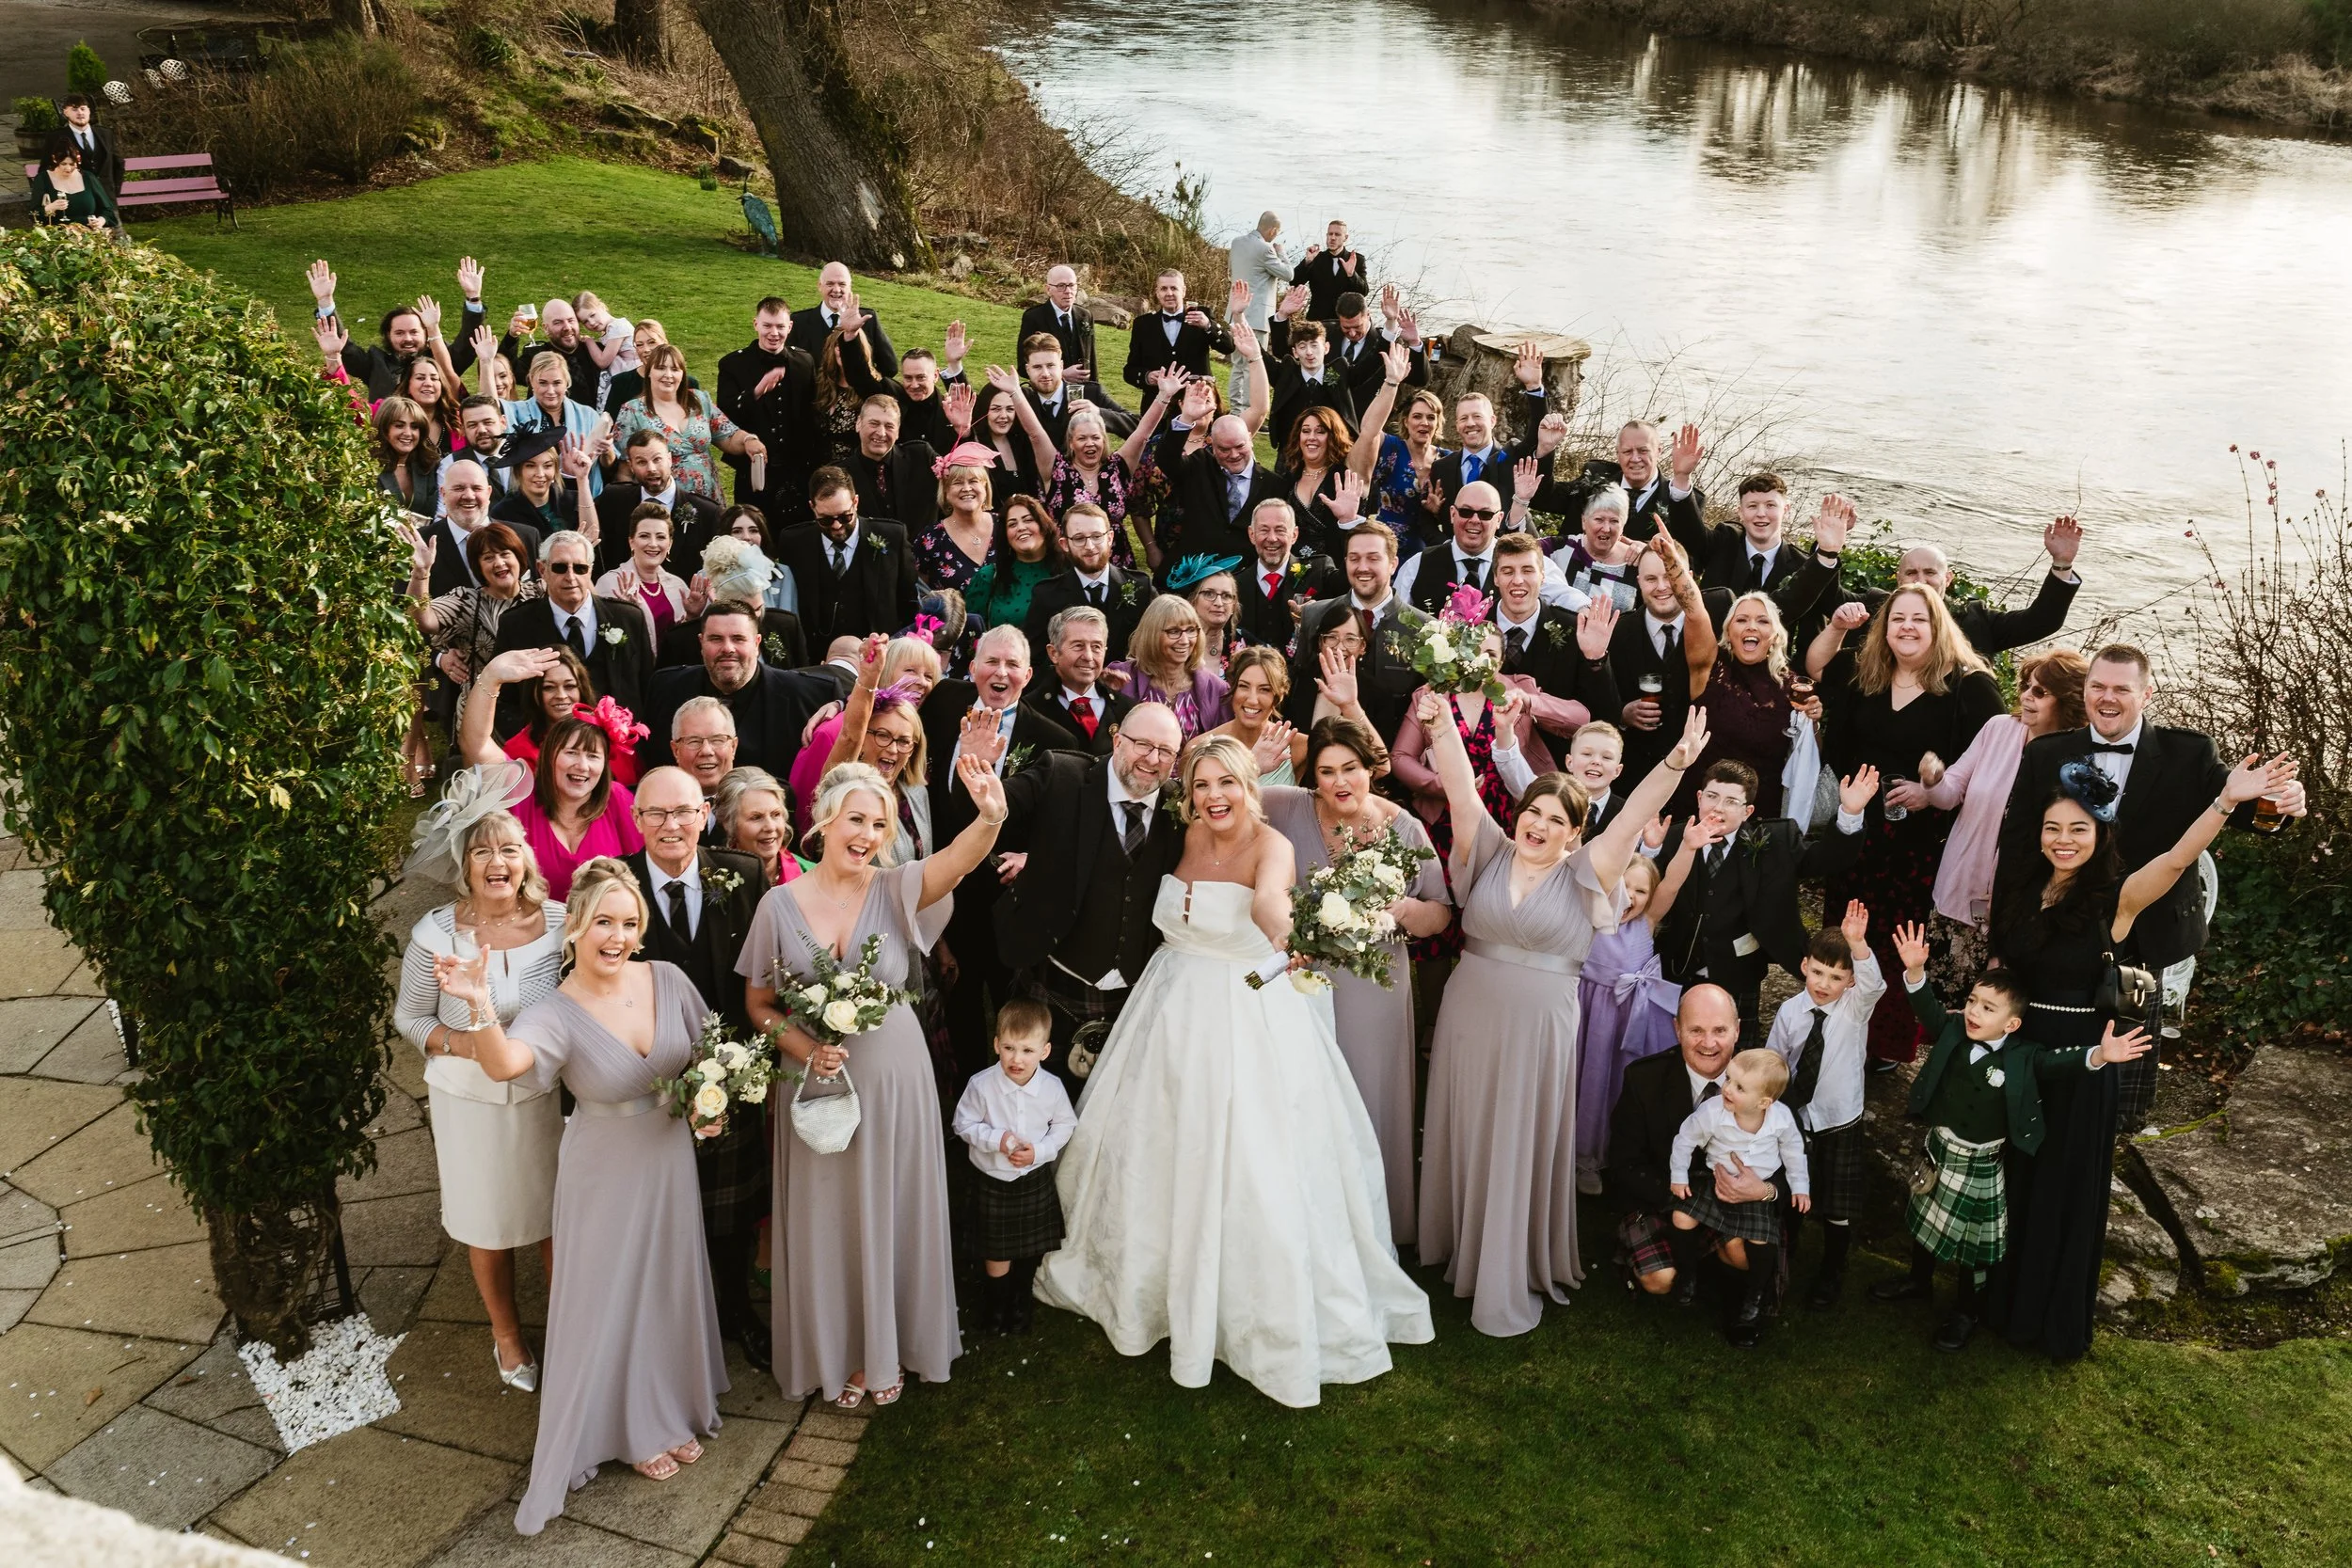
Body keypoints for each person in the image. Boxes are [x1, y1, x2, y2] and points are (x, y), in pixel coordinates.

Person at [1033, 736, 1435, 1407]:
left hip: (1245, 1005)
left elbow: (1270, 902)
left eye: (1226, 783)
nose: (1213, 797)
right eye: (1201, 785)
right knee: (1156, 1149)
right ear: (1187, 794)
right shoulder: (1178, 837)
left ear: (1249, 785)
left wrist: (1285, 935)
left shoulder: (1270, 845)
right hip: (1166, 1010)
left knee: (1249, 1156)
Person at [433, 859, 726, 1529]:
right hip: (603, 1170)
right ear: (575, 928)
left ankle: (672, 1406)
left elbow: (710, 1050)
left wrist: (713, 1103)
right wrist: (479, 1006)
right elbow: (507, 1063)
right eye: (603, 922)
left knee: (664, 1283)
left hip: (669, 1159)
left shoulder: (668, 979)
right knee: (612, 1292)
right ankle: (632, 1427)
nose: (617, 935)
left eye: (629, 922)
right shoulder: (553, 1010)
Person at [1985, 746, 2296, 1360]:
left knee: (2065, 1196)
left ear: (2100, 834)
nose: (2063, 839)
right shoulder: (2026, 890)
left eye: (2078, 829)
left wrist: (2226, 800)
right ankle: (2003, 1308)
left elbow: (2181, 857)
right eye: (2054, 828)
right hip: (2025, 1060)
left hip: (2088, 1063)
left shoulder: (2117, 898)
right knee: (2018, 1187)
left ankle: (2052, 1326)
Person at [1415, 698, 1709, 1338]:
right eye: (1534, 812)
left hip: (1541, 1020)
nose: (1540, 825)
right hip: (1470, 1008)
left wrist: (1676, 764)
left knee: (1517, 1129)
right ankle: (1453, 1240)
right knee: (1467, 1119)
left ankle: (1506, 1260)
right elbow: (1463, 791)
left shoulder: (1588, 870)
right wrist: (1439, 725)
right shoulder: (1489, 849)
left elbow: (1631, 818)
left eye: (1556, 819)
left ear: (1575, 833)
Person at [740, 754, 1009, 1406]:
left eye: (879, 823)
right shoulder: (777, 904)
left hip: (893, 1076)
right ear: (824, 820)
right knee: (828, 1213)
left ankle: (896, 1347)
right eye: (856, 818)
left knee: (894, 1204)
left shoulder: (896, 888)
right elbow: (758, 1005)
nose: (866, 833)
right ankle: (838, 1351)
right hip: (815, 1081)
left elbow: (963, 857)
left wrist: (991, 813)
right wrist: (805, 1048)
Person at [1871, 924, 2152, 1354]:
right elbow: (1926, 1008)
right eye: (1972, 1002)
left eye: (1987, 1008)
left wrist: (2099, 1055)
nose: (1973, 1012)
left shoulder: (2024, 1057)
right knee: (1925, 1217)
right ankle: (1917, 1280)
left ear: (2013, 1022)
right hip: (1941, 1147)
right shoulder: (1951, 1032)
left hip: (1982, 1162)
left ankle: (1966, 1310)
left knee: (1971, 1241)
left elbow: (2061, 1063)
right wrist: (1915, 972)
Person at [395, 781, 565, 1393]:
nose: (499, 863)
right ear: (464, 865)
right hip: (468, 1100)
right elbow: (410, 1018)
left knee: (554, 1216)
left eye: (510, 850)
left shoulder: (557, 923)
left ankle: (570, 1325)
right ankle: (507, 1333)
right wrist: (465, 1043)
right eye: (483, 852)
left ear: (527, 859)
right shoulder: (435, 935)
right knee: (487, 1222)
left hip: (542, 1096)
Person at [1261, 718, 1452, 1243]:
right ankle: (1299, 1225)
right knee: (1299, 1094)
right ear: (1311, 775)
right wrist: (1253, 766)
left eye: (1350, 768)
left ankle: (1372, 1226)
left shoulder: (1405, 828)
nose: (1340, 782)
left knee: (1369, 1097)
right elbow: (1214, 803)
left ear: (1371, 768)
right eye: (1326, 772)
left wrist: (1404, 908)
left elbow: (1441, 913)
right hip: (1298, 979)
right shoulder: (1283, 806)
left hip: (1375, 986)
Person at [1809, 586, 2006, 1063]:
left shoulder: (1968, 685)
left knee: (1899, 942)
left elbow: (1994, 761)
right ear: (1884, 626)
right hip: (1857, 829)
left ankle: (1882, 1046)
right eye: (1898, 618)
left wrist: (1932, 792)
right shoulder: (1868, 673)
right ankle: (1834, 1025)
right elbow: (1816, 672)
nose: (1908, 627)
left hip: (1921, 843)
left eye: (1920, 618)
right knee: (1847, 928)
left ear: (1938, 627)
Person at [622, 767, 774, 1371]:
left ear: (705, 814)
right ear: (636, 820)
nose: (672, 825)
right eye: (656, 814)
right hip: (646, 1082)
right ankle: (671, 1329)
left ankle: (736, 1310)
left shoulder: (742, 875)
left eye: (684, 811)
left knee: (731, 1211)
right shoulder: (613, 882)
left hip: (732, 1077)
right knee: (660, 1213)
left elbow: (766, 970)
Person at [992, 704, 1188, 1091]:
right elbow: (991, 812)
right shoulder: (1062, 775)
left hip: (1134, 998)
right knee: (1032, 1112)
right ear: (1117, 741)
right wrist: (980, 771)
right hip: (1053, 984)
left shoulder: (1179, 808)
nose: (1152, 759)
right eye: (1142, 744)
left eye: (1166, 751)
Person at [1652, 759, 1876, 1042]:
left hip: (1738, 974)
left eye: (1731, 801)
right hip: (1675, 970)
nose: (1718, 807)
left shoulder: (1775, 841)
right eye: (1712, 796)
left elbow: (1827, 859)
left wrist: (1850, 813)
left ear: (1748, 811)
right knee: (1672, 1045)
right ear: (1699, 798)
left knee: (1735, 1054)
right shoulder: (1672, 838)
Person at [1913, 649, 2088, 992]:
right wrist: (1933, 779)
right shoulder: (1997, 730)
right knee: (1942, 1008)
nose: (2026, 696)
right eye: (2026, 686)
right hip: (1959, 891)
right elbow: (1950, 794)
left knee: (1996, 1012)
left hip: (2019, 910)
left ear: (2067, 701)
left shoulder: (2075, 759)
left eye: (2040, 692)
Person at [1607, 985, 1784, 1307]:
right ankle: (1671, 1270)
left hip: (1740, 1200)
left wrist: (1764, 1191)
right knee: (1659, 1280)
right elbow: (1623, 1163)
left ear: (1737, 1030)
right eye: (1696, 1030)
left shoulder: (1766, 1079)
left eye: (1719, 1030)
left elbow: (1797, 1162)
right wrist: (1683, 1200)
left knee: (1742, 1253)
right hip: (1665, 1196)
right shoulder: (1642, 1079)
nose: (1709, 1043)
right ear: (1677, 1029)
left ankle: (1737, 1295)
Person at [1762, 904, 1885, 1310]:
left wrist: (1857, 944)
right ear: (1804, 965)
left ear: (1850, 981)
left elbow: (1874, 983)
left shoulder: (1856, 1007)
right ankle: (1787, 1248)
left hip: (1838, 1121)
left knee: (1837, 1205)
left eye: (1836, 977)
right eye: (1817, 972)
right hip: (1797, 1119)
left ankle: (1833, 1268)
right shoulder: (1789, 1011)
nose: (1824, 983)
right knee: (1796, 1192)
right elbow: (1775, 1062)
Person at [1666, 1046, 1810, 1343]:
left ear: (1764, 1102)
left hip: (1756, 1191)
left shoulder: (1781, 1119)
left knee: (1761, 1239)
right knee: (1681, 1216)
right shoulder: (1713, 1112)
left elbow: (1796, 1153)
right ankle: (1688, 1276)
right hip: (1715, 1182)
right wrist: (1679, 1176)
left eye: (1739, 1087)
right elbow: (1684, 1141)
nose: (1727, 1089)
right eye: (1729, 1079)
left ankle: (1754, 1298)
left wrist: (1800, 1187)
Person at [953, 997, 1078, 1335]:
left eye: (1027, 1050)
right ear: (996, 1044)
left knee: (1029, 1247)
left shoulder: (1051, 1088)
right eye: (1008, 1047)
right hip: (993, 1179)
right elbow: (962, 1124)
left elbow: (1065, 1125)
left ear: (1045, 1051)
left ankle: (1020, 1300)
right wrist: (998, 1140)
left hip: (1032, 1178)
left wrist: (1039, 1151)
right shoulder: (981, 1084)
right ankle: (996, 1304)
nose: (1016, 1058)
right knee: (996, 1248)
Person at [1569, 856, 1685, 1197]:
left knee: (1620, 1085)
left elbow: (1673, 884)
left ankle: (1618, 1153)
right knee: (1588, 1082)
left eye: (1641, 890)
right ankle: (1582, 1155)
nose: (1631, 896)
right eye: (1624, 886)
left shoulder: (1646, 922)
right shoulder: (1588, 915)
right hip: (1589, 1018)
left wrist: (1689, 846)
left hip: (1629, 1022)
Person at [457, 704, 644, 899]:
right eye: (571, 752)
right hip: (532, 926)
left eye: (593, 756)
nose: (582, 766)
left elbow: (644, 873)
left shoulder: (617, 799)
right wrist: (491, 678)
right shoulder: (521, 796)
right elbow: (475, 745)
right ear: (549, 756)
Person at [1392, 645, 1558, 863]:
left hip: (1506, 808)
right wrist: (1443, 783)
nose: (1480, 659)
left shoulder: (1518, 688)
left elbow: (1580, 718)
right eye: (1473, 651)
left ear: (1500, 663)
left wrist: (1529, 702)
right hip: (1445, 808)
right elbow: (1400, 757)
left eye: (1490, 654)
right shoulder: (1431, 693)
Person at [640, 606, 838, 781]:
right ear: (701, 643)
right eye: (716, 639)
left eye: (738, 639)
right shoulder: (665, 688)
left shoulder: (812, 695)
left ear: (757, 643)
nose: (727, 648)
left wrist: (841, 704)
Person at [1850, 517, 2086, 657]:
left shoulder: (1978, 620)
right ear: (1899, 579)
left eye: (1930, 572)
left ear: (1948, 579)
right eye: (1911, 572)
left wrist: (2062, 565)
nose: (1920, 580)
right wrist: (1828, 548)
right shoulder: (1875, 608)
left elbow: (2041, 622)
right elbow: (1825, 596)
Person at [490, 531, 657, 727]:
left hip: (620, 748)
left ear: (590, 570)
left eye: (580, 568)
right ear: (542, 570)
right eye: (560, 568)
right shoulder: (516, 624)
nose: (571, 576)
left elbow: (649, 692)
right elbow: (505, 701)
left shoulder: (629, 618)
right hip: (545, 748)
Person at [794, 636, 938, 861]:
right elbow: (849, 737)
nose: (893, 749)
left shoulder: (916, 792)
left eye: (903, 741)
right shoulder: (843, 790)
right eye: (882, 736)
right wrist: (868, 680)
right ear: (864, 738)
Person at [1027, 372, 1181, 563]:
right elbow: (1035, 434)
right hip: (1066, 564)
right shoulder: (1056, 468)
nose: (1089, 443)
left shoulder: (1118, 466)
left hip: (1115, 562)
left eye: (1095, 437)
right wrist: (1015, 392)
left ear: (1104, 440)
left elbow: (1142, 434)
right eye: (1082, 438)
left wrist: (1164, 396)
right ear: (1071, 443)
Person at [1285, 523, 1419, 739]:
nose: (1362, 567)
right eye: (1354, 558)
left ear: (1393, 564)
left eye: (1373, 558)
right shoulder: (1315, 615)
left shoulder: (1422, 628)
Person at [773, 467, 921, 645]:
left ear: (856, 502)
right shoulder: (794, 542)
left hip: (880, 653)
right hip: (816, 658)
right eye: (826, 519)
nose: (836, 526)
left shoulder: (893, 536)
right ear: (812, 507)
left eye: (845, 517)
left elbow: (909, 603)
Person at [612, 344, 762, 503]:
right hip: (662, 501)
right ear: (649, 372)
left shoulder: (699, 400)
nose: (668, 375)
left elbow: (729, 436)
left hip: (708, 498)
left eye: (675, 369)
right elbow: (624, 469)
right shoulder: (632, 411)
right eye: (661, 368)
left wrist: (748, 440)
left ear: (682, 374)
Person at [716, 296, 818, 521]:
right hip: (754, 471)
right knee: (753, 531)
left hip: (797, 471)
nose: (774, 333)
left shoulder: (805, 362)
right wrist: (756, 391)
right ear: (756, 324)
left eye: (780, 326)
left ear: (790, 327)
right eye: (767, 326)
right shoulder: (733, 364)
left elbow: (811, 413)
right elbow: (725, 417)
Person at [1022, 502, 1151, 670]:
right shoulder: (1047, 595)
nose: (1089, 547)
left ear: (1110, 538)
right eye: (1079, 538)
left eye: (1097, 536)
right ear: (1065, 544)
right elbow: (1032, 660)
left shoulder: (1140, 587)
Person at [596, 430, 724, 576]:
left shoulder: (707, 512)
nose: (651, 469)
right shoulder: (613, 499)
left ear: (670, 459)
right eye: (641, 462)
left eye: (657, 459)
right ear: (631, 466)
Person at [1107, 594, 1229, 738]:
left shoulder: (1216, 689)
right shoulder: (1120, 677)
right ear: (1152, 634)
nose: (1184, 641)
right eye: (1174, 631)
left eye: (1191, 630)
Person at [1232, 497, 1342, 647]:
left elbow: (1351, 587)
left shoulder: (1319, 570)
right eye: (1264, 530)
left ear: (1294, 535)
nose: (1271, 538)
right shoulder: (1235, 584)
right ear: (1252, 534)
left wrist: (1348, 522)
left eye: (1280, 530)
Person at [1025, 605, 1130, 756]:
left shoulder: (1125, 710)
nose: (1088, 656)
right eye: (1078, 646)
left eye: (1096, 647)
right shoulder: (1030, 710)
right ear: (1054, 653)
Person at [964, 494, 1065, 635]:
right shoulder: (989, 577)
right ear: (1005, 536)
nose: (1021, 528)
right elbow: (972, 639)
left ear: (1044, 525)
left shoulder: (1069, 570)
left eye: (1028, 520)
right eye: (1012, 524)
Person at [596, 504, 699, 640]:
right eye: (644, 536)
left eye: (661, 537)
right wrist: (627, 614)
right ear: (631, 542)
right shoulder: (611, 583)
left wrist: (692, 616)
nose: (653, 544)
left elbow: (682, 640)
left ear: (670, 544)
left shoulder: (677, 585)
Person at [1122, 269, 1234, 390]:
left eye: (1174, 288)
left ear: (1184, 291)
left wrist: (1208, 325)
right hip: (1157, 401)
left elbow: (1228, 347)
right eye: (1164, 288)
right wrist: (1146, 376)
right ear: (1157, 292)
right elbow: (1130, 370)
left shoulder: (1202, 316)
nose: (1169, 293)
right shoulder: (1143, 324)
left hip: (1197, 399)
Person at [1207, 646, 1303, 784]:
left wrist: (1346, 706)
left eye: (1264, 689)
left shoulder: (1299, 746)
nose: (1252, 700)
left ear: (1278, 695)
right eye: (1244, 686)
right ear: (1232, 688)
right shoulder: (1199, 748)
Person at [789, 261, 900, 375]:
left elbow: (890, 367)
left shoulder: (867, 320)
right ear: (819, 286)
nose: (836, 290)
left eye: (842, 284)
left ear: (850, 287)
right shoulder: (798, 321)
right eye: (830, 284)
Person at [1549, 485, 1645, 610]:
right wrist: (1521, 502)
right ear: (1584, 521)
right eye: (1599, 519)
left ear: (1623, 525)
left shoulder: (1637, 559)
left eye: (1614, 521)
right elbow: (1520, 550)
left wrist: (1652, 552)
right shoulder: (1560, 548)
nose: (1606, 529)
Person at [1020, 267, 1109, 395]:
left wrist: (1096, 392)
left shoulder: (1085, 315)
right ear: (1048, 289)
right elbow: (1023, 365)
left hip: (1082, 393)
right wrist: (1061, 374)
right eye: (1061, 286)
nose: (1068, 291)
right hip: (1048, 393)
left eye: (1071, 285)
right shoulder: (1033, 317)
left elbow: (1092, 359)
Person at [29, 138, 119, 231]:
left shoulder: (88, 177)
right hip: (57, 234)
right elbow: (33, 214)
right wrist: (50, 208)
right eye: (63, 164)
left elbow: (108, 211)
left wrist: (100, 221)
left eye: (72, 164)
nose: (68, 168)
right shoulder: (43, 179)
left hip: (88, 232)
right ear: (54, 159)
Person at [374, 395, 441, 517]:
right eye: (399, 425)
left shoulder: (431, 464)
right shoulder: (366, 466)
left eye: (414, 427)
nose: (408, 433)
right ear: (384, 428)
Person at [1174, 557, 1248, 665]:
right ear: (1193, 601)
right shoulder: (1177, 643)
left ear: (1234, 605)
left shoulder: (1245, 643)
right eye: (1209, 594)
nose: (1219, 603)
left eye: (1226, 596)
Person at [1291, 218, 1367, 322]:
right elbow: (1294, 282)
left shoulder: (1356, 260)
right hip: (1317, 321)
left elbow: (1363, 292)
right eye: (1330, 234)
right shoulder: (1316, 258)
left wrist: (1352, 274)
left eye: (1337, 234)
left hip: (1345, 321)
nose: (1332, 238)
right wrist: (1307, 261)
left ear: (1346, 237)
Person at [52, 94, 125, 198]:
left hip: (107, 199)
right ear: (65, 112)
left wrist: (114, 190)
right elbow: (50, 168)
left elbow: (118, 163)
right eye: (75, 109)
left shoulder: (106, 134)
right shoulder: (58, 137)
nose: (80, 113)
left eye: (83, 109)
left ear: (89, 111)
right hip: (76, 201)